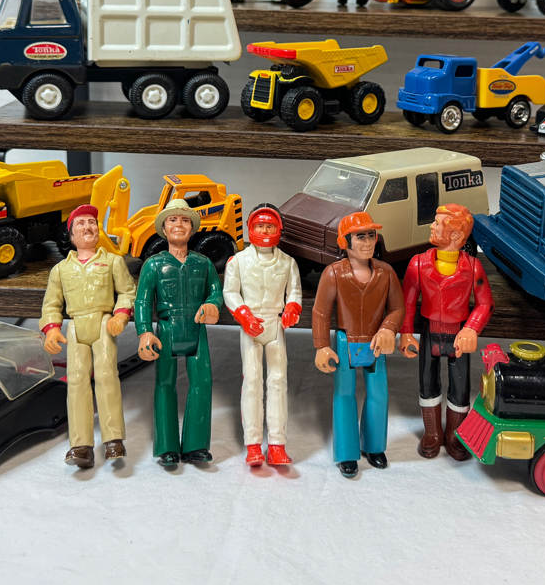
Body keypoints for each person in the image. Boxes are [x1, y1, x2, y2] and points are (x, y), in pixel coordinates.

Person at [41, 204, 135, 469]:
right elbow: (51, 303)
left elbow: (127, 291)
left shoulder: (113, 261)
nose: (87, 227)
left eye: (92, 222)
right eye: (80, 223)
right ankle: (80, 445)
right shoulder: (61, 269)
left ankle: (114, 439)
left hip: (104, 323)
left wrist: (120, 315)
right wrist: (52, 328)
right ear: (71, 235)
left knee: (107, 377)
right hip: (75, 326)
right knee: (77, 382)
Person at [312, 211, 405, 478]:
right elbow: (320, 312)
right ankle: (347, 452)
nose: (367, 242)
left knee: (379, 394)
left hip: (376, 341)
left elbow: (397, 308)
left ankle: (374, 447)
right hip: (345, 341)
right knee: (344, 395)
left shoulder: (386, 272)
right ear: (345, 242)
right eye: (360, 236)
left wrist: (388, 329)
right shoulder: (333, 273)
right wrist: (322, 346)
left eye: (371, 235)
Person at [399, 203, 492, 460]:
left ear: (455, 235)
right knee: (427, 383)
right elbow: (407, 302)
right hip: (429, 332)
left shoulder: (473, 267)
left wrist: (472, 328)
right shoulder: (418, 264)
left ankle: (454, 433)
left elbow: (485, 304)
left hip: (458, 335)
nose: (432, 226)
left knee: (460, 387)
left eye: (438, 223)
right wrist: (406, 333)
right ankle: (432, 432)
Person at [135, 198, 223, 466]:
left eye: (185, 220)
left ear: (192, 229)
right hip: (166, 329)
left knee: (202, 382)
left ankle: (197, 444)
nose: (179, 225)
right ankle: (167, 446)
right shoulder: (153, 264)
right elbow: (142, 301)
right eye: (172, 220)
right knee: (164, 384)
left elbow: (215, 290)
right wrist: (144, 332)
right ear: (163, 228)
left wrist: (212, 304)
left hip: (196, 328)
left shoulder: (203, 263)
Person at [223, 204, 303, 466]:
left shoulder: (288, 262)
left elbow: (295, 291)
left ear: (278, 229)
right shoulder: (237, 261)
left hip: (275, 325)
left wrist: (292, 308)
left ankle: (278, 444)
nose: (265, 231)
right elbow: (230, 292)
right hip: (251, 325)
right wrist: (244, 316)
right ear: (250, 228)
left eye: (270, 226)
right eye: (260, 226)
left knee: (279, 381)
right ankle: (253, 445)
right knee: (252, 381)